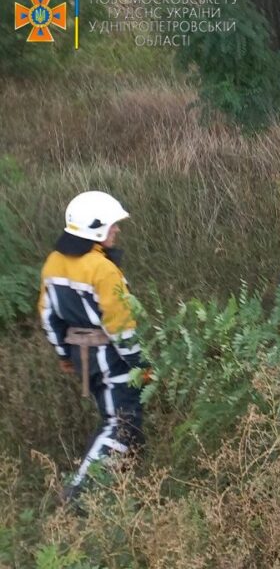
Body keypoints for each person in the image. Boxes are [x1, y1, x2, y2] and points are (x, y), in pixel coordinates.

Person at [38, 191, 147, 501]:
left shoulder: (53, 263)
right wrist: (141, 365)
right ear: (95, 228)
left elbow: (48, 316)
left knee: (119, 420)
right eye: (113, 225)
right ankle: (81, 492)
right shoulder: (102, 269)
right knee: (120, 423)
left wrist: (64, 355)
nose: (117, 230)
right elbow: (121, 326)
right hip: (109, 357)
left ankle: (120, 489)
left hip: (81, 355)